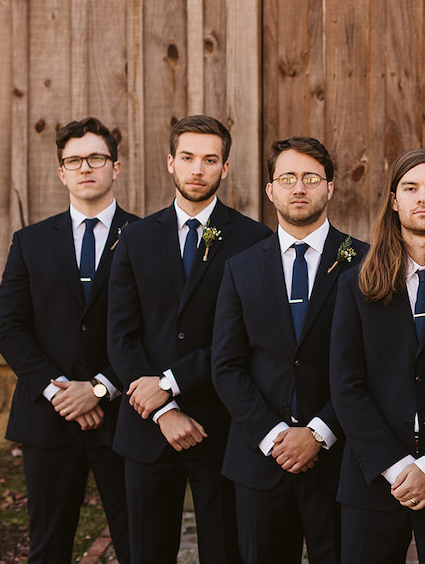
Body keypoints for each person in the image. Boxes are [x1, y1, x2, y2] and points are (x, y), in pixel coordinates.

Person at [107, 115, 271, 564]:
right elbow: (120, 335)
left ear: (225, 167)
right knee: (147, 551)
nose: (197, 169)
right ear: (170, 163)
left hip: (219, 422)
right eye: (188, 158)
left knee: (225, 551)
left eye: (209, 159)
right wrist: (162, 407)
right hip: (147, 425)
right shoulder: (135, 238)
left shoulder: (254, 239)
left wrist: (173, 382)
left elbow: (245, 336)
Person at [213, 136, 367, 564]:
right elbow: (226, 365)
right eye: (287, 178)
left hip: (339, 461)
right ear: (270, 189)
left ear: (330, 188)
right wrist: (275, 436)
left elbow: (375, 365)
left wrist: (318, 433)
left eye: (311, 178)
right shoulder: (241, 268)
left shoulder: (365, 263)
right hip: (259, 461)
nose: (299, 188)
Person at [0, 118, 137, 564]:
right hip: (47, 416)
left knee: (139, 545)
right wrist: (60, 392)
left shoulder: (147, 238)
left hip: (124, 417)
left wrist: (99, 388)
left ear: (116, 167)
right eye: (74, 160)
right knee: (48, 547)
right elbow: (10, 328)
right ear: (61, 172)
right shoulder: (30, 242)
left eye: (96, 158)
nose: (85, 167)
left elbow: (155, 331)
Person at [331, 148, 425, 564]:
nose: (422, 198)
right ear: (394, 200)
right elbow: (346, 387)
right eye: (410, 188)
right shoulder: (355, 285)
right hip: (372, 479)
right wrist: (396, 468)